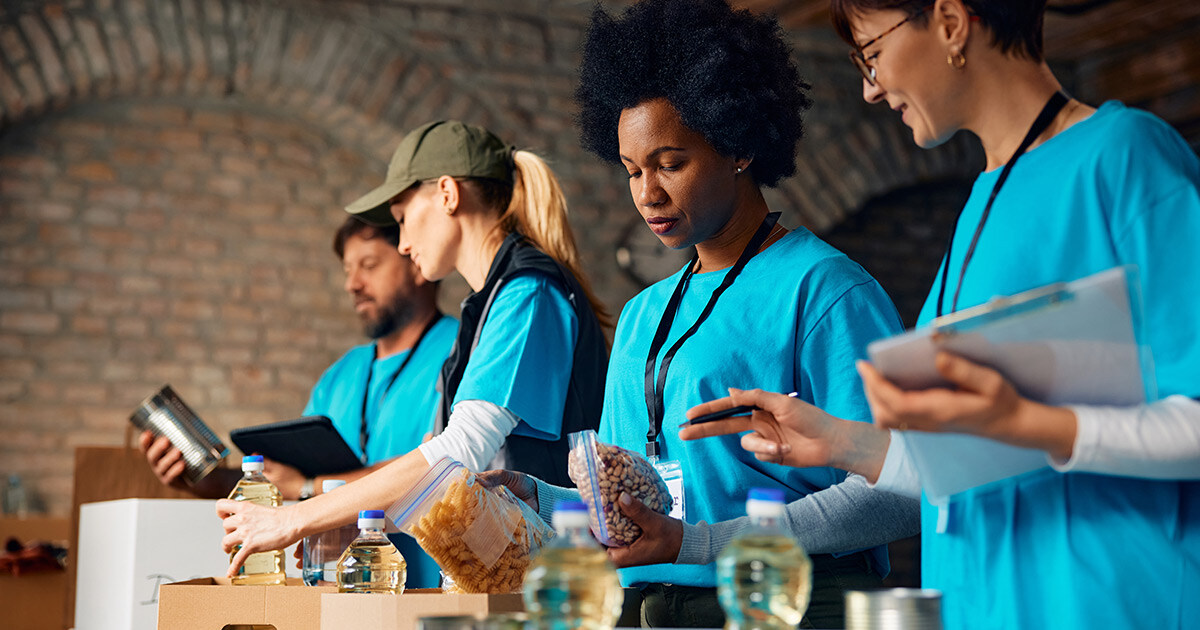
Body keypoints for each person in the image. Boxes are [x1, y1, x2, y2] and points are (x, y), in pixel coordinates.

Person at [681, 1, 1200, 628]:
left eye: (871, 54)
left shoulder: (1124, 156)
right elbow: (970, 464)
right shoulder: (978, 207)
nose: (870, 89)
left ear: (951, 21)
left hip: (1105, 604)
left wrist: (1029, 423)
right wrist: (841, 442)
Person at [485, 1, 919, 627]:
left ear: (738, 144)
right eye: (633, 170)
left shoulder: (825, 290)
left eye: (670, 163)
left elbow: (901, 493)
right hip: (650, 609)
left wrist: (703, 545)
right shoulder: (641, 315)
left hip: (788, 605)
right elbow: (637, 506)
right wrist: (541, 498)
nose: (647, 194)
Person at [217, 120, 611, 578]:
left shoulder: (528, 294)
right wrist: (361, 524)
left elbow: (458, 452)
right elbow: (456, 485)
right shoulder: (485, 308)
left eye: (403, 218)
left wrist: (295, 518)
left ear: (447, 194)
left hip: (563, 588)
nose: (403, 242)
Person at [140, 215, 457, 586]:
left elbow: (440, 467)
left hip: (427, 588)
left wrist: (308, 488)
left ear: (416, 262)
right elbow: (280, 481)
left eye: (369, 266)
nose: (353, 284)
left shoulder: (460, 352)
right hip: (338, 590)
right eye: (348, 270)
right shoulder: (342, 373)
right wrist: (194, 480)